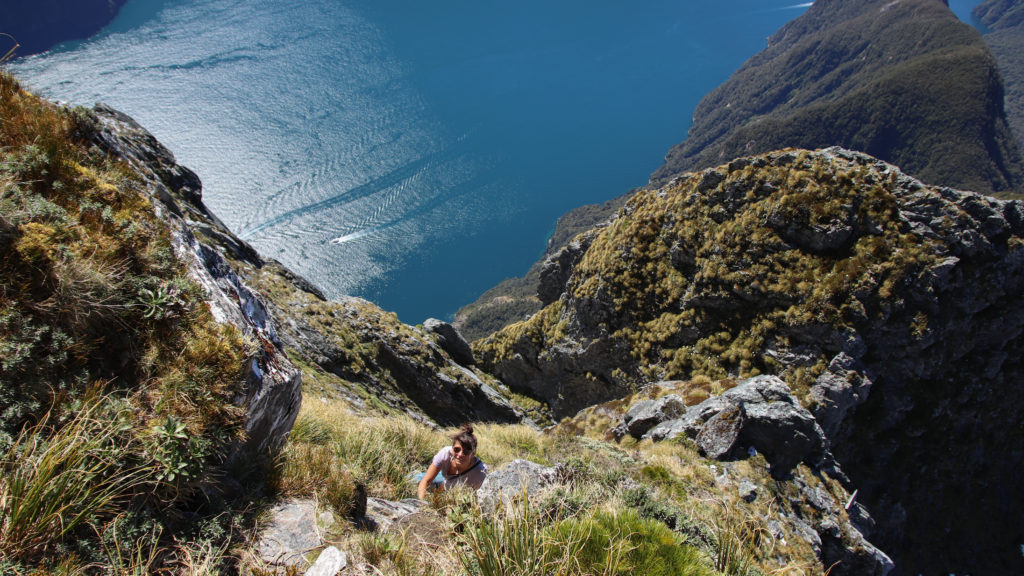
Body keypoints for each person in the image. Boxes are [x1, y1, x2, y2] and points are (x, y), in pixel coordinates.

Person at [416, 424, 487, 499]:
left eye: (466, 452)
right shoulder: (445, 454)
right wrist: (422, 503)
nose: (460, 454)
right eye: (457, 449)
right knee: (414, 480)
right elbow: (426, 480)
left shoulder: (481, 473)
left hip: (458, 495)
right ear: (452, 448)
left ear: (473, 454)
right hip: (444, 480)